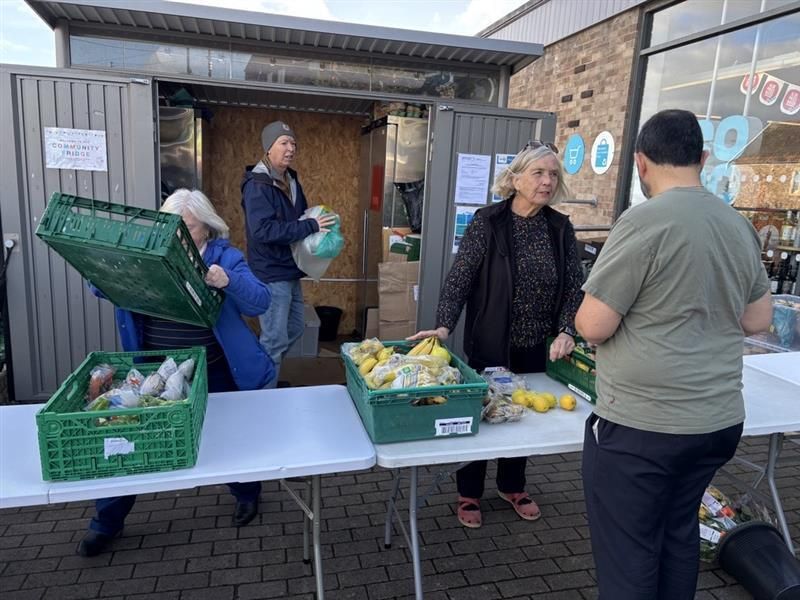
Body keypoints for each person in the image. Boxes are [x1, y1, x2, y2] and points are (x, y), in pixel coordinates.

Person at [575, 109, 772, 600]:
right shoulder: (737, 224)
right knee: (678, 533)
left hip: (644, 426)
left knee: (630, 553)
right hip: (716, 422)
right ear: (702, 159)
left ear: (640, 162)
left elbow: (593, 326)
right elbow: (757, 320)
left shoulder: (643, 221)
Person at [77, 189, 276, 557]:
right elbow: (98, 285)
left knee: (231, 436)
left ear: (207, 227)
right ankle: (106, 522)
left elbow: (260, 300)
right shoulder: (148, 254)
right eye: (172, 227)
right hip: (155, 372)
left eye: (189, 227)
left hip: (214, 369)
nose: (180, 236)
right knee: (130, 439)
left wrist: (227, 281)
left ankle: (247, 493)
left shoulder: (224, 257)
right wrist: (110, 268)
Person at [410, 141, 584, 528]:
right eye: (538, 173)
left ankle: (512, 486)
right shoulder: (488, 222)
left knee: (521, 414)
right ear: (515, 179)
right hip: (490, 341)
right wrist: (444, 325)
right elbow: (460, 279)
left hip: (537, 346)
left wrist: (567, 329)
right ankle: (469, 492)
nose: (547, 181)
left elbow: (575, 286)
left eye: (553, 174)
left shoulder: (559, 227)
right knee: (482, 415)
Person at [241, 121, 337, 385]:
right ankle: (264, 392)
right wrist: (310, 226)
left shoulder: (291, 180)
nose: (291, 148)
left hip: (290, 268)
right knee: (274, 339)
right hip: (271, 272)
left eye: (293, 143)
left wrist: (318, 221)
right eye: (283, 143)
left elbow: (300, 217)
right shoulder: (258, 185)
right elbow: (263, 230)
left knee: (294, 328)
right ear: (268, 148)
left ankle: (267, 372)